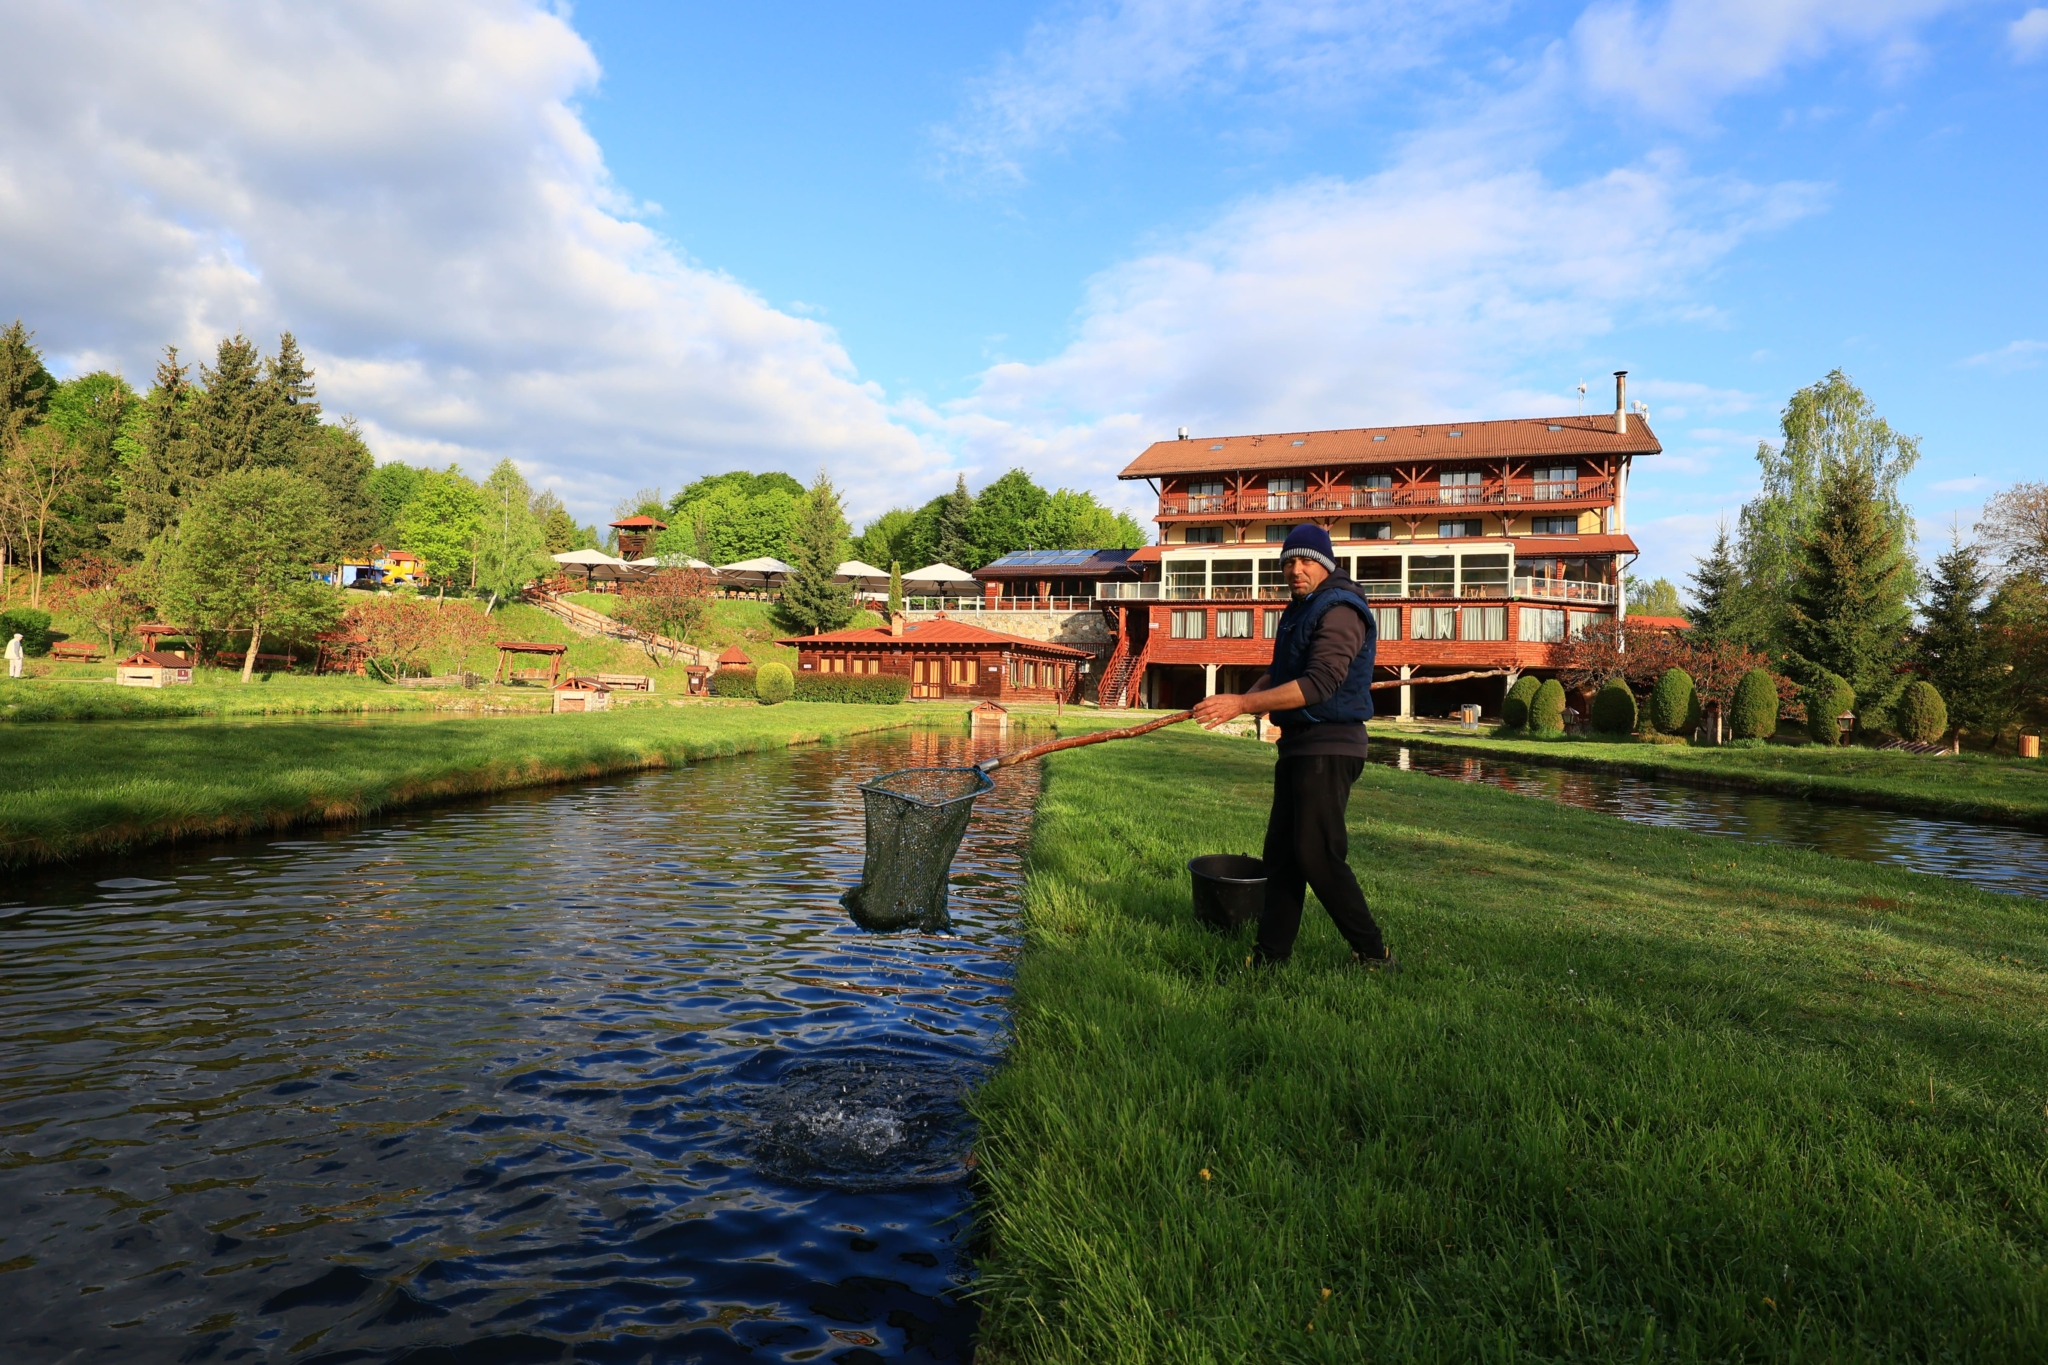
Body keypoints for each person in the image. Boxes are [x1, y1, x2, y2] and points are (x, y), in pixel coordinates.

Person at [1190, 525, 1394, 970]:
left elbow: (1320, 684)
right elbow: (1283, 673)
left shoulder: (1340, 609)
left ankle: (1375, 954)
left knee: (1317, 854)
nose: (1294, 569)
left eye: (1305, 561)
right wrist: (1237, 702)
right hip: (1299, 746)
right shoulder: (1301, 609)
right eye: (1288, 561)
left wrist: (1243, 702)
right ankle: (1270, 957)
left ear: (1326, 563)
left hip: (1330, 745)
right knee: (1282, 857)